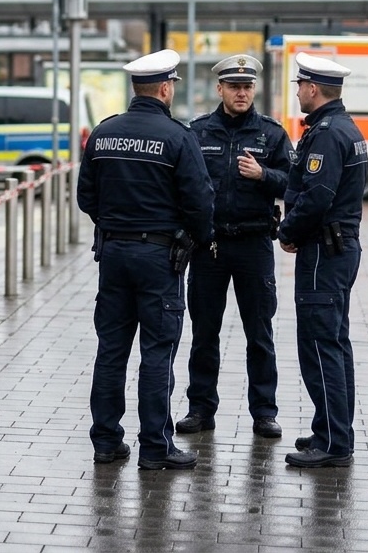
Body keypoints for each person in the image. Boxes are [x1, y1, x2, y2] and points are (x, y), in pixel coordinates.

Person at [78, 49, 215, 470]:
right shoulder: (178, 137)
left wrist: (116, 224)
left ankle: (106, 442)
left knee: (111, 350)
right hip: (160, 258)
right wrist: (197, 239)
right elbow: (200, 201)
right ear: (164, 87)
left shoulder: (103, 134)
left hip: (114, 254)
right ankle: (155, 447)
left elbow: (87, 197)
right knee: (158, 352)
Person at [176, 55, 291, 440]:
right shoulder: (199, 132)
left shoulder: (271, 135)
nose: (241, 93)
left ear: (254, 89)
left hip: (254, 244)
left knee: (259, 333)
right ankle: (200, 408)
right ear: (220, 89)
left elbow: (294, 186)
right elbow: (184, 187)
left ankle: (264, 412)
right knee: (204, 332)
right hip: (209, 247)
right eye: (234, 86)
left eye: (247, 87)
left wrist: (264, 175)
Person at [277, 52, 366, 468]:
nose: (298, 91)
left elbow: (317, 196)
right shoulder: (341, 127)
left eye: (300, 85)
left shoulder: (328, 134)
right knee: (334, 342)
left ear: (313, 89)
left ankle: (332, 442)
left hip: (323, 253)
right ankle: (332, 428)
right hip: (338, 249)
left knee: (320, 345)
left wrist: (288, 231)